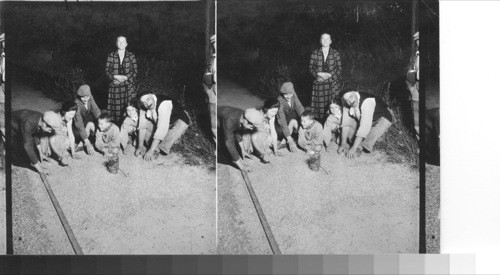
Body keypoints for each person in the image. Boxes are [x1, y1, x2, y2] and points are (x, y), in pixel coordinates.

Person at [135, 92, 190, 162]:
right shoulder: (142, 107)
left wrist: (151, 150)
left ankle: (157, 148)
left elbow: (161, 129)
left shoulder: (164, 104)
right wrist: (140, 145)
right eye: (144, 102)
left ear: (151, 95)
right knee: (148, 133)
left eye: (148, 99)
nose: (147, 104)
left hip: (177, 120)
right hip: (159, 121)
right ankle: (152, 143)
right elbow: (142, 126)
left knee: (180, 126)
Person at [338, 90, 393, 158]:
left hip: (380, 118)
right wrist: (343, 144)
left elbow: (364, 127)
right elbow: (345, 125)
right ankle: (353, 143)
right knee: (350, 125)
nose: (350, 101)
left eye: (351, 96)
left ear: (354, 93)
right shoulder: (346, 105)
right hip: (362, 119)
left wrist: (354, 148)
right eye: (347, 99)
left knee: (380, 126)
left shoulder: (367, 102)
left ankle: (360, 147)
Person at [12, 110, 64, 175]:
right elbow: (28, 147)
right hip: (12, 121)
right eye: (50, 129)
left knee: (33, 150)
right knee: (19, 153)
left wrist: (41, 153)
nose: (50, 132)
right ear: (44, 124)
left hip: (24, 118)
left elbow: (36, 135)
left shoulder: (43, 118)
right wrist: (40, 169)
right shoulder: (28, 123)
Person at [218, 106, 265, 172]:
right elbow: (229, 143)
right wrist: (242, 166)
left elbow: (237, 131)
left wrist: (242, 150)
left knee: (237, 152)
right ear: (245, 121)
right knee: (226, 158)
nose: (252, 129)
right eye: (252, 126)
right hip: (215, 119)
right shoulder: (229, 120)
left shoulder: (244, 115)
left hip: (225, 115)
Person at [309, 33, 342, 121]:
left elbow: (339, 69)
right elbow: (311, 68)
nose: (325, 41)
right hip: (319, 83)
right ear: (320, 41)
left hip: (332, 84)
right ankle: (320, 124)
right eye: (323, 39)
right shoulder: (315, 53)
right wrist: (318, 74)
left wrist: (329, 76)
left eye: (327, 39)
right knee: (319, 108)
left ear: (330, 41)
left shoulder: (335, 53)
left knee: (332, 106)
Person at [105, 36, 138, 123]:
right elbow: (107, 71)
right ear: (116, 43)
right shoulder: (111, 56)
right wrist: (115, 78)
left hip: (128, 87)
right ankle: (116, 128)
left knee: (128, 109)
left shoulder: (131, 56)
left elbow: (135, 72)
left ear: (126, 44)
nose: (121, 43)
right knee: (115, 110)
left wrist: (125, 78)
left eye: (123, 42)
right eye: (119, 41)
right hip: (115, 86)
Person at [251, 98, 282, 163]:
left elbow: (273, 132)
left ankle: (266, 147)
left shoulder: (272, 116)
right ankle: (264, 148)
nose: (274, 114)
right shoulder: (257, 115)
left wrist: (275, 150)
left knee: (273, 139)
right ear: (266, 109)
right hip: (253, 135)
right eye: (272, 111)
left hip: (263, 133)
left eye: (276, 112)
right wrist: (262, 152)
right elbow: (253, 137)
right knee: (259, 152)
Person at [276, 82, 304, 152]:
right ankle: (286, 138)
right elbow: (282, 120)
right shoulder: (279, 100)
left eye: (290, 94)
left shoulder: (293, 94)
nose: (289, 97)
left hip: (290, 115)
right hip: (281, 119)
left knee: (304, 118)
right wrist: (289, 139)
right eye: (286, 94)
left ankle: (294, 134)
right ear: (282, 94)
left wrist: (306, 120)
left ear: (293, 91)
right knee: (280, 131)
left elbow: (299, 107)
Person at [73, 84, 101, 155]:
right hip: (77, 121)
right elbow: (79, 123)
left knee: (103, 115)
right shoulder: (76, 103)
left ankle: (89, 138)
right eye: (83, 97)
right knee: (78, 133)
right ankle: (83, 141)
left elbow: (96, 110)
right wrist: (87, 143)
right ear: (79, 96)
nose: (86, 99)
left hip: (87, 117)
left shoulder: (90, 97)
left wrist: (102, 123)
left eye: (87, 96)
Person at [202, 34, 217, 143]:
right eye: (214, 43)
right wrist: (208, 92)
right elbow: (205, 78)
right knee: (214, 123)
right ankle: (216, 145)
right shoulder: (211, 59)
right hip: (213, 94)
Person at [406, 31, 419, 139]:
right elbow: (409, 74)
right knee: (417, 121)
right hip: (416, 90)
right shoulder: (414, 57)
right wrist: (411, 88)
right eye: (418, 40)